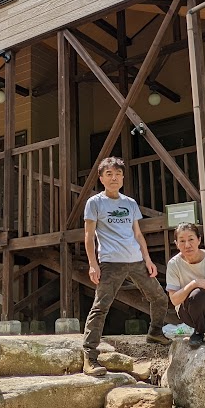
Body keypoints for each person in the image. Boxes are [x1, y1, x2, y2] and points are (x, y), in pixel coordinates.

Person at [82, 156, 172, 377]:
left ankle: (155, 332)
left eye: (118, 174)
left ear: (123, 178)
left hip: (136, 260)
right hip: (110, 262)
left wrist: (148, 259)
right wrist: (93, 264)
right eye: (109, 174)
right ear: (101, 178)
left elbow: (138, 234)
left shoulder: (130, 203)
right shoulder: (95, 202)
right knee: (100, 307)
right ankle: (89, 357)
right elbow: (89, 236)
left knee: (159, 297)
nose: (114, 178)